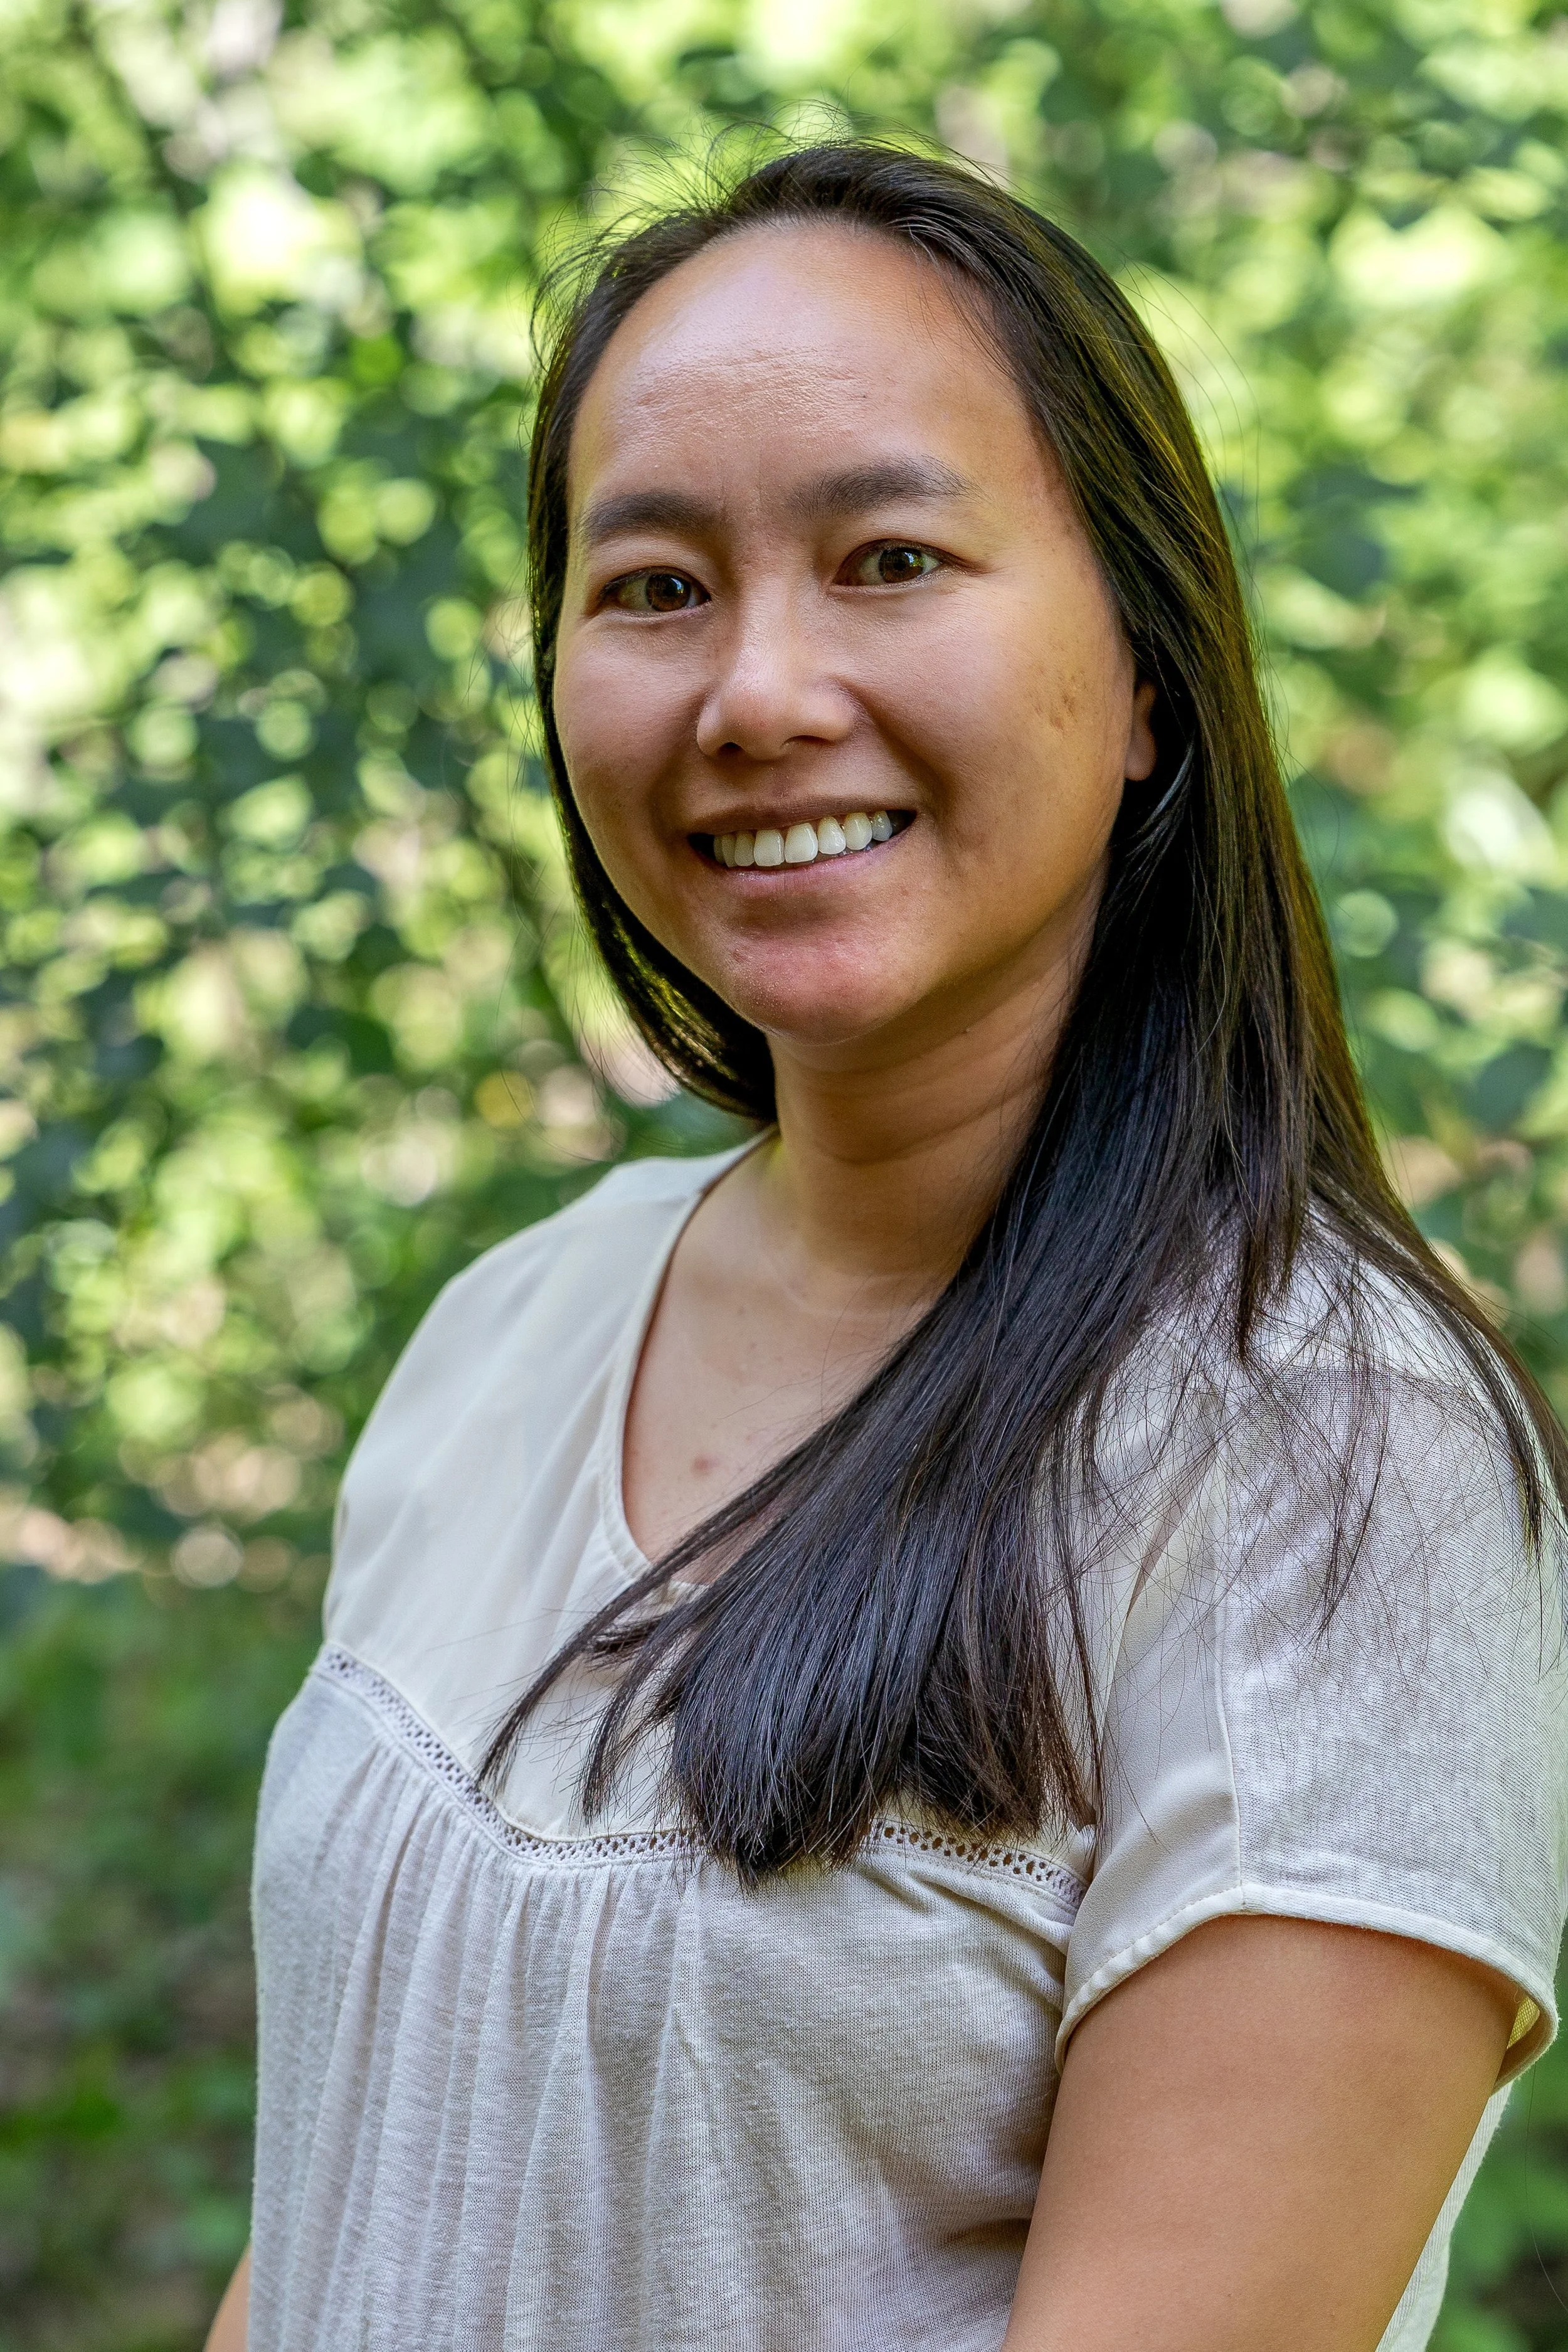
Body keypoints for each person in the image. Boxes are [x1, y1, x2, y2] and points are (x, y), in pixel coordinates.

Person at [205, 143, 1568, 2352]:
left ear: (1145, 675)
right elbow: (350, 2198)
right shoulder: (512, 1324)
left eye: (889, 557)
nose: (756, 691)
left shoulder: (1327, 1458)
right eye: (651, 586)